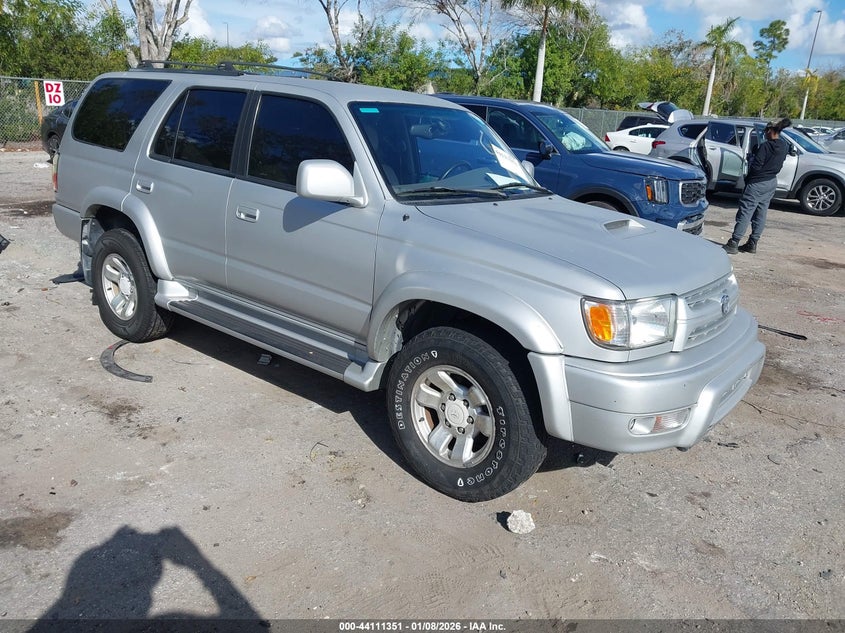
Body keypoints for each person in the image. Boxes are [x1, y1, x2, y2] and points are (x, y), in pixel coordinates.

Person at [723, 117, 791, 254]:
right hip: (771, 182)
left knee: (746, 212)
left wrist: (750, 169)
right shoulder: (783, 145)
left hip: (757, 183)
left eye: (766, 130)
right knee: (761, 213)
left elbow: (756, 166)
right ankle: (753, 243)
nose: (765, 133)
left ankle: (734, 242)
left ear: (771, 130)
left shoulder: (765, 146)